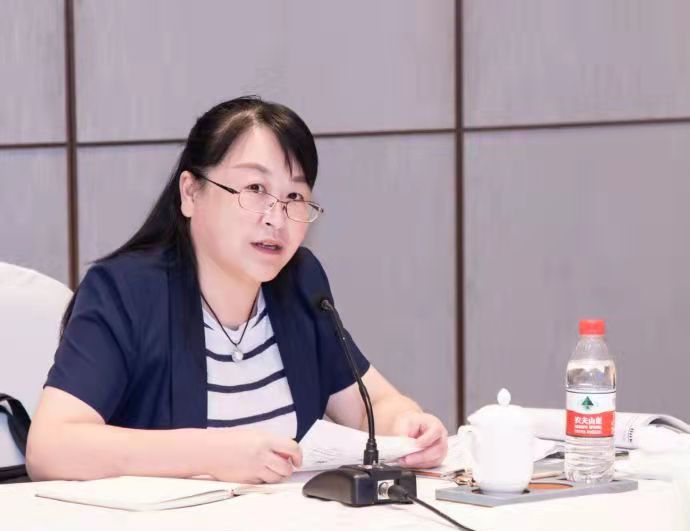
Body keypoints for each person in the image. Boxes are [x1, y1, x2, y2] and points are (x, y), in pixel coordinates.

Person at [25, 96, 448, 483]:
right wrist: (210, 454)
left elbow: (370, 405)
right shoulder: (126, 292)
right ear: (190, 193)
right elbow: (51, 447)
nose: (276, 217)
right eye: (255, 189)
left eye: (294, 196)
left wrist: (405, 425)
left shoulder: (299, 282)